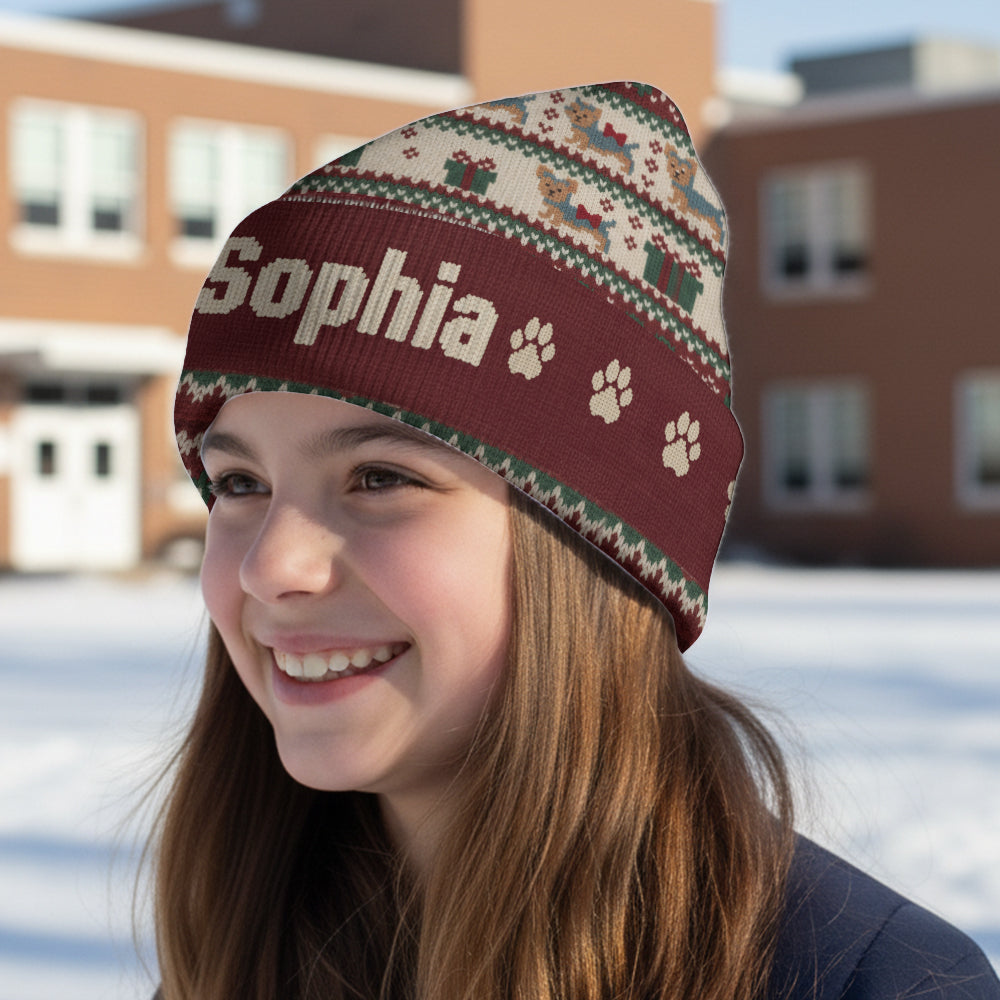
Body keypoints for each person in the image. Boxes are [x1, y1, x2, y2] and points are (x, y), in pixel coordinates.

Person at [159, 82, 999, 1000]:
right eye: (238, 483)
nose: (271, 566)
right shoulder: (239, 952)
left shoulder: (875, 984)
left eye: (381, 478)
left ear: (597, 545)